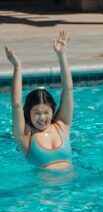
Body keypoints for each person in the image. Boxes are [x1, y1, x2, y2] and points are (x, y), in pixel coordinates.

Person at [5, 31, 75, 170]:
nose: (42, 117)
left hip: (74, 189)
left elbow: (68, 89)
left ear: (52, 111)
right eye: (36, 113)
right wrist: (17, 67)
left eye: (46, 112)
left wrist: (61, 55)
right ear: (28, 113)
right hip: (44, 191)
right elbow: (16, 103)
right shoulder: (26, 135)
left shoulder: (62, 125)